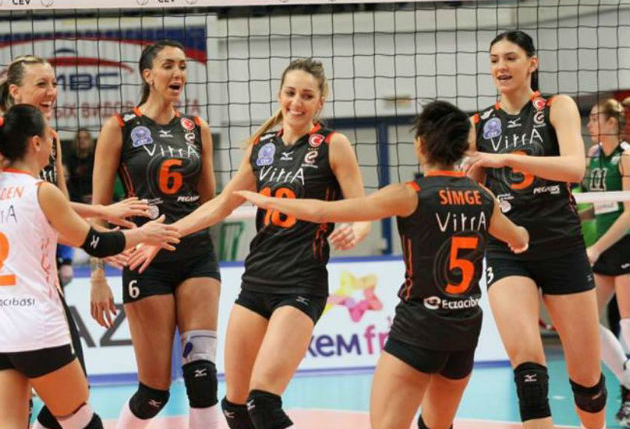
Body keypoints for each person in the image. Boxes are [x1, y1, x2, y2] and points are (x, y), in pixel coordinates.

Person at [235, 100, 529, 429]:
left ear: (420, 145)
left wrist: (268, 200)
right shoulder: (484, 198)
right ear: (464, 147)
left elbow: (323, 211)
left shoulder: (409, 194)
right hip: (464, 332)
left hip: (419, 328)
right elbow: (518, 238)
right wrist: (521, 232)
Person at [130, 57, 371, 429]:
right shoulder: (262, 147)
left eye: (307, 96)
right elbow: (221, 204)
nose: (297, 102)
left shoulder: (333, 145)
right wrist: (165, 235)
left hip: (301, 284)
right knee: (235, 407)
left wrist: (357, 229)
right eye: (290, 93)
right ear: (279, 95)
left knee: (263, 404)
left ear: (320, 102)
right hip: (256, 282)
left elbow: (362, 208)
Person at [0, 104, 180, 429]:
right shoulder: (41, 191)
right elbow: (96, 243)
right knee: (83, 422)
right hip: (37, 328)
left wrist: (102, 212)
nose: (53, 146)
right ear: (36, 143)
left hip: (3, 329)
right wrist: (143, 234)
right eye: (49, 138)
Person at [465, 30, 605, 429]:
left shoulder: (556, 107)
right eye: (494, 60)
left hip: (562, 244)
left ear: (532, 63)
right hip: (508, 249)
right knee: (527, 369)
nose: (501, 67)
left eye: (510, 58)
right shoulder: (479, 124)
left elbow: (574, 168)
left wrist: (507, 159)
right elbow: (473, 192)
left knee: (587, 380)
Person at [89, 39, 222, 429]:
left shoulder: (197, 128)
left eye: (182, 66)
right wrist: (98, 274)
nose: (178, 73)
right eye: (168, 66)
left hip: (196, 255)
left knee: (202, 378)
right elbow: (99, 211)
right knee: (154, 394)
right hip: (145, 262)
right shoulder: (120, 128)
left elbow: (210, 203)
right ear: (147, 75)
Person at [583, 97, 630, 426]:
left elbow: (628, 213)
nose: (589, 124)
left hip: (624, 245)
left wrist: (597, 247)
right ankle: (628, 381)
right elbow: (595, 206)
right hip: (601, 248)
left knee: (628, 323)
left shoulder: (625, 158)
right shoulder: (593, 156)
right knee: (586, 322)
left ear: (612, 122)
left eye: (595, 119)